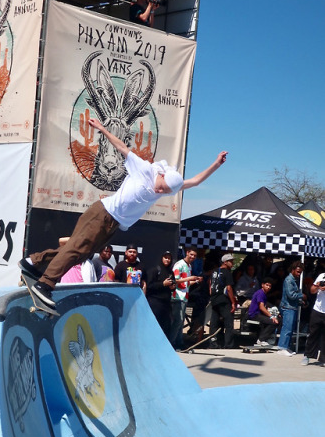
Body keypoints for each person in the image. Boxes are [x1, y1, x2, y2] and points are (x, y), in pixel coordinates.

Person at [19, 117, 228, 308]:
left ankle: (33, 262)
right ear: (161, 175)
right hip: (101, 214)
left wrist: (216, 165)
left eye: (164, 192)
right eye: (161, 187)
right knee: (75, 250)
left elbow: (195, 181)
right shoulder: (144, 169)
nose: (160, 191)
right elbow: (122, 147)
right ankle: (44, 285)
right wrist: (102, 129)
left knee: (79, 254)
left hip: (112, 224)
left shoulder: (169, 186)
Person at [170, 248, 203, 350]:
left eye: (195, 256)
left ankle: (179, 343)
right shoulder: (179, 264)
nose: (192, 257)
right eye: (191, 254)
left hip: (184, 296)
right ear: (187, 253)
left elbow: (186, 283)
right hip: (177, 296)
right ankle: (171, 343)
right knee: (178, 321)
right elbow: (175, 280)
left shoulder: (189, 266)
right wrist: (190, 278)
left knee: (181, 321)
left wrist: (196, 280)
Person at [209, 254, 237, 349]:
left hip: (214, 299)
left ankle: (213, 343)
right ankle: (228, 344)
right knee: (228, 323)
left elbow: (210, 285)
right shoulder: (227, 273)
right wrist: (233, 302)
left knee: (214, 323)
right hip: (224, 300)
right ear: (225, 262)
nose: (232, 263)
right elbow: (229, 288)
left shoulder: (214, 271)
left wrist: (212, 295)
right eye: (231, 261)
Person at [277, 261, 305, 357]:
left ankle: (286, 346)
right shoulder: (289, 280)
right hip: (287, 307)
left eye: (300, 272)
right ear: (293, 270)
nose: (298, 274)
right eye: (297, 272)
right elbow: (291, 295)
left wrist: (300, 301)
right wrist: (302, 295)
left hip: (292, 306)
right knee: (287, 328)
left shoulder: (293, 280)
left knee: (290, 328)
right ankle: (282, 347)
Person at [146, 251, 175, 339]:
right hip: (155, 302)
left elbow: (173, 285)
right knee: (154, 325)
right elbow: (150, 286)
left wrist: (172, 287)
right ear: (161, 258)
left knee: (166, 326)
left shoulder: (170, 272)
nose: (167, 260)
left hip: (166, 303)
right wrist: (163, 284)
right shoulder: (155, 270)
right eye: (165, 257)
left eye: (169, 258)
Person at [301, 270, 325, 366]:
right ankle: (307, 355)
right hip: (317, 310)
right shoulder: (322, 275)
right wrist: (318, 286)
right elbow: (312, 291)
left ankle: (323, 359)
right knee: (312, 333)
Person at [247, 278, 280, 346]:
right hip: (254, 314)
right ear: (262, 285)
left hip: (258, 314)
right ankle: (261, 339)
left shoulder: (264, 294)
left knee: (277, 320)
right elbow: (261, 307)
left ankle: (266, 338)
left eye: (270, 286)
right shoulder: (260, 293)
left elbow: (266, 305)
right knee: (273, 322)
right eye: (267, 285)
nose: (268, 287)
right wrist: (271, 317)